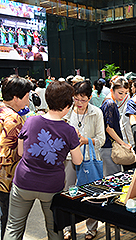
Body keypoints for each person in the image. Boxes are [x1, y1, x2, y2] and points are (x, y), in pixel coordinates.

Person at [4, 81, 83, 240]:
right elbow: (78, 161)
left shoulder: (31, 121)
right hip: (52, 187)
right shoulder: (69, 131)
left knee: (13, 227)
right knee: (54, 228)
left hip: (24, 182)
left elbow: (20, 152)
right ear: (67, 105)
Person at [63, 81, 105, 240]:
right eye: (76, 99)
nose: (79, 103)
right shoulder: (67, 112)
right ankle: (67, 227)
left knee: (91, 194)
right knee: (67, 193)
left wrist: (85, 140)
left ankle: (92, 228)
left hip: (89, 159)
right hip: (69, 158)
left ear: (90, 98)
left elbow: (101, 140)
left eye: (83, 99)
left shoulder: (96, 113)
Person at [0, 76, 32, 240]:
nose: (28, 101)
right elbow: (10, 153)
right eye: (27, 96)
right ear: (16, 97)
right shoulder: (14, 119)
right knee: (11, 223)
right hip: (6, 180)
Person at [100, 77, 132, 176]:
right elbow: (109, 128)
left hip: (108, 146)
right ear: (112, 90)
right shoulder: (110, 103)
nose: (123, 96)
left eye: (126, 93)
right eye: (120, 92)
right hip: (109, 147)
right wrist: (123, 144)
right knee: (112, 178)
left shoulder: (108, 101)